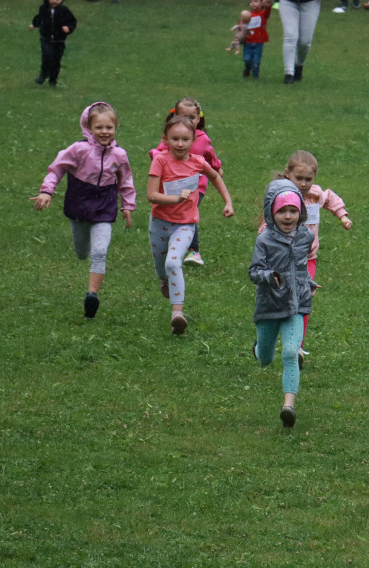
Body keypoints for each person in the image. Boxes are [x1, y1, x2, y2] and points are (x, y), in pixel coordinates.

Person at [30, 102, 136, 319]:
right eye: (99, 127)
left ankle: (91, 296)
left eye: (109, 127)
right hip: (78, 204)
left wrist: (127, 205)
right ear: (88, 128)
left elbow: (125, 181)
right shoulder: (78, 150)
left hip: (105, 208)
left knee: (100, 252)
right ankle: (85, 251)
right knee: (81, 252)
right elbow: (57, 169)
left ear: (115, 128)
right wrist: (46, 191)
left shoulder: (119, 155)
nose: (104, 132)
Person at [147, 115, 234, 335]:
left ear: (193, 140)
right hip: (159, 223)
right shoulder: (160, 161)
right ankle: (163, 281)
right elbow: (151, 195)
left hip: (184, 225)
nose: (180, 144)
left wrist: (228, 201)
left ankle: (177, 314)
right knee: (162, 267)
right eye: (174, 139)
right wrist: (175, 199)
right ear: (165, 139)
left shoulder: (197, 162)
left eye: (185, 139)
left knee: (173, 262)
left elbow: (215, 177)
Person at [269, 150, 353, 361]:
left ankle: (296, 346)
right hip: (283, 257)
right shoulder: (283, 196)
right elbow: (268, 220)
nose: (304, 184)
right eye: (299, 179)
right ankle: (266, 340)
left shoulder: (315, 194)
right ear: (288, 174)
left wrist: (342, 216)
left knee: (303, 301)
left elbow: (330, 198)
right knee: (280, 300)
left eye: (309, 179)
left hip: (308, 258)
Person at [250, 181, 317, 428]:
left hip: (295, 304)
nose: (288, 216)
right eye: (282, 211)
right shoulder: (264, 240)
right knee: (266, 359)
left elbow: (299, 268)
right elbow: (254, 271)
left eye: (293, 210)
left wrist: (309, 282)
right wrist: (270, 277)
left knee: (290, 352)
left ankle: (288, 405)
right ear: (271, 212)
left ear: (301, 211)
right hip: (269, 305)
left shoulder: (305, 237)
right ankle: (258, 349)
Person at [148, 98, 223, 268]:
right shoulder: (173, 134)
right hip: (172, 184)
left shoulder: (202, 139)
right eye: (184, 116)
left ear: (199, 118)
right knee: (173, 212)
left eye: (192, 117)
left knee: (189, 211)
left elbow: (211, 158)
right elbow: (160, 150)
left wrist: (217, 169)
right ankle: (172, 240)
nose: (189, 121)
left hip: (197, 185)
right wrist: (154, 153)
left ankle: (193, 251)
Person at [29, 0, 77, 87]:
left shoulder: (64, 10)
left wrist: (68, 28)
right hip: (46, 38)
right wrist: (34, 24)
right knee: (47, 56)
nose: (55, 1)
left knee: (56, 60)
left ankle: (53, 79)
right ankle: (43, 74)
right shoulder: (44, 9)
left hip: (59, 40)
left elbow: (72, 21)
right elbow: (40, 17)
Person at [279, 0, 322, 83]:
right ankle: (289, 74)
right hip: (287, 2)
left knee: (305, 42)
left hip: (311, 3)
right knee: (290, 36)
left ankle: (299, 65)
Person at [243, 0, 271, 79]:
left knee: (256, 61)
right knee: (246, 59)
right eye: (251, 1)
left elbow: (268, 12)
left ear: (261, 3)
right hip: (248, 42)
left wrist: (268, 6)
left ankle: (255, 76)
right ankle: (247, 68)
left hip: (258, 43)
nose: (253, 3)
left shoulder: (262, 15)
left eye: (256, 1)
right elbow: (241, 26)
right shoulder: (247, 15)